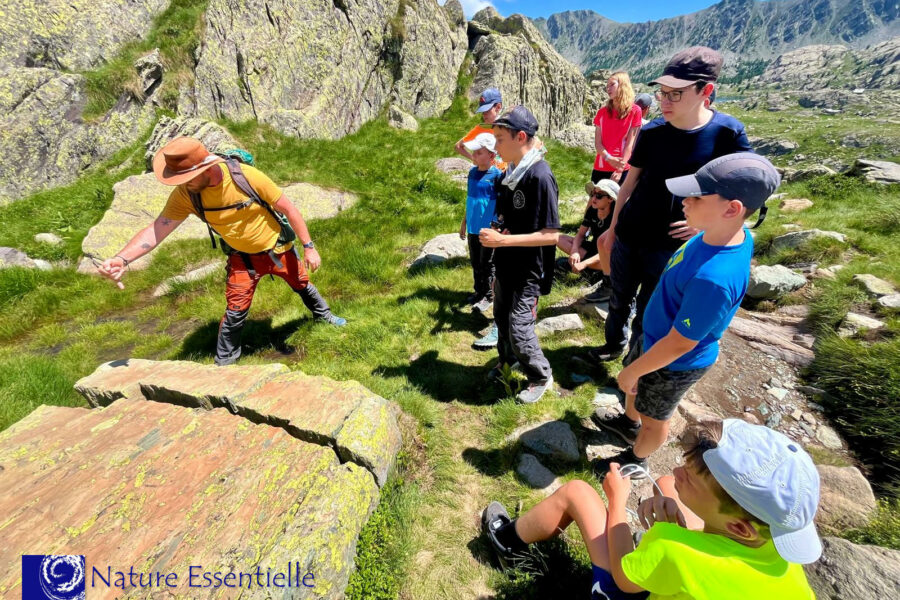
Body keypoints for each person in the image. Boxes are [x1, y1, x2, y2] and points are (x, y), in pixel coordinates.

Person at [481, 419, 820, 600]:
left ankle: (505, 543)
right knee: (666, 486)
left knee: (578, 493)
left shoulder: (672, 548)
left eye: (690, 478)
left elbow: (624, 578)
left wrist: (616, 501)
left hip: (629, 589)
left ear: (739, 527)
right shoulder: (784, 560)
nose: (676, 471)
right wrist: (680, 527)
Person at [593, 153, 780, 473]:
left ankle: (636, 461)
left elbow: (681, 343)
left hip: (674, 362)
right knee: (635, 393)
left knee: (654, 417)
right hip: (654, 339)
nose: (684, 201)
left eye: (697, 197)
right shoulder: (727, 235)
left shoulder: (714, 280)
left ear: (732, 209)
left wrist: (634, 370)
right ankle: (628, 423)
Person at [97, 137, 346, 366]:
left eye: (188, 178)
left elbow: (289, 209)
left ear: (206, 168)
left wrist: (309, 247)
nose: (183, 185)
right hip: (242, 259)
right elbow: (157, 229)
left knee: (301, 283)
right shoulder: (186, 194)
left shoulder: (246, 177)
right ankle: (225, 362)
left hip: (277, 250)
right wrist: (122, 259)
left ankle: (324, 316)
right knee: (236, 309)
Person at [591, 46, 752, 363]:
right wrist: (613, 229)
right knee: (619, 297)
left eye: (675, 94)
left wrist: (704, 227)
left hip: (673, 244)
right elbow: (629, 183)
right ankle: (613, 345)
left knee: (651, 308)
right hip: (631, 233)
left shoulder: (727, 134)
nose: (665, 102)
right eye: (662, 93)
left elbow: (746, 189)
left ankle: (635, 362)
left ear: (706, 91)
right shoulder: (652, 131)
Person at [479, 106, 560, 404]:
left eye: (500, 139)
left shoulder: (540, 176)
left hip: (529, 270)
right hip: (506, 263)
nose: (495, 145)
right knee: (501, 318)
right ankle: (508, 360)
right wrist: (499, 231)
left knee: (519, 327)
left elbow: (551, 235)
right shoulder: (510, 173)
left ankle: (540, 376)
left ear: (521, 137)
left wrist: (502, 240)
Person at [459, 132, 502, 313]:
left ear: (491, 156)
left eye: (478, 152)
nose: (474, 155)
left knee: (488, 263)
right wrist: (464, 222)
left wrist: (495, 224)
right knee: (475, 261)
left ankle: (489, 295)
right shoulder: (472, 173)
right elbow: (470, 200)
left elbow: (501, 205)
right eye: (474, 152)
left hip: (487, 229)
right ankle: (479, 291)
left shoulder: (497, 176)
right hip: (473, 226)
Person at [555, 179, 618, 302]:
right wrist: (574, 251)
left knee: (610, 262)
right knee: (559, 238)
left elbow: (608, 248)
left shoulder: (615, 217)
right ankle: (591, 272)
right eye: (593, 194)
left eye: (599, 196)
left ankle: (590, 271)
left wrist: (584, 263)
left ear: (610, 199)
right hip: (593, 249)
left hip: (607, 256)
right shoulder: (592, 210)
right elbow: (580, 234)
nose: (593, 198)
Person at [593, 72, 642, 184]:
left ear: (622, 85)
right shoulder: (602, 112)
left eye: (612, 84)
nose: (608, 88)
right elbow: (598, 143)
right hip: (601, 166)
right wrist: (609, 158)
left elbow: (630, 144)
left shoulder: (635, 111)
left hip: (621, 169)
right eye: (607, 86)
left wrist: (620, 170)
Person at [455, 87, 507, 171]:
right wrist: (474, 159)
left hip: (505, 173)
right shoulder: (480, 129)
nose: (484, 114)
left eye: (487, 110)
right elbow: (458, 146)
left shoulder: (508, 127)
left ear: (498, 107)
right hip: (485, 174)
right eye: (482, 111)